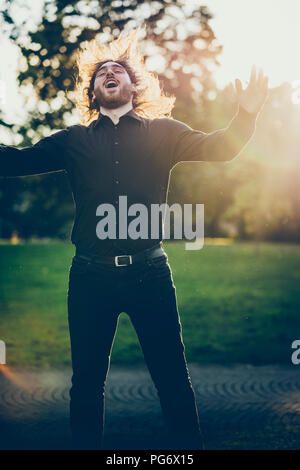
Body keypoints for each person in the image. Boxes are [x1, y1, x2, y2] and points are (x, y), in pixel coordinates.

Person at [0, 27, 268, 450]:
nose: (110, 72)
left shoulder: (164, 132)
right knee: (86, 385)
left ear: (131, 85)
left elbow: (222, 147)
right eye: (102, 71)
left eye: (118, 69)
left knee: (173, 381)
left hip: (150, 275)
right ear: (92, 90)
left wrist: (246, 116)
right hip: (89, 278)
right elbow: (13, 161)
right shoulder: (73, 141)